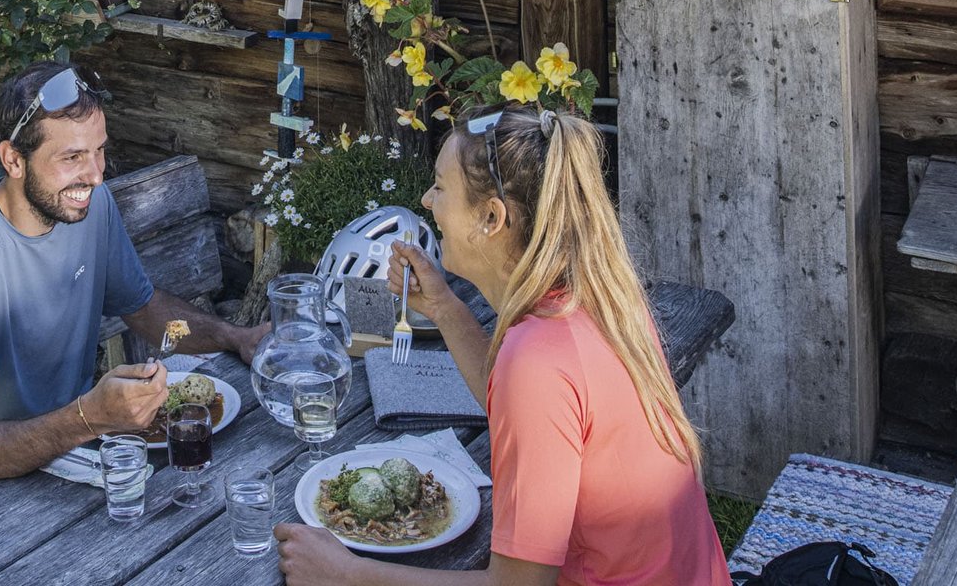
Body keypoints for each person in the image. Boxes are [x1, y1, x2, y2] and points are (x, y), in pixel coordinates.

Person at [276, 106, 731, 586]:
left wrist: (347, 573)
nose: (427, 200)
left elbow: (517, 585)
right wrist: (446, 309)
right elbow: (523, 406)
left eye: (440, 186)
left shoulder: (537, 361)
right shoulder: (600, 296)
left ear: (491, 217)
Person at [0, 60, 267, 518]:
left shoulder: (90, 206)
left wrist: (233, 337)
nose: (96, 175)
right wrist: (90, 416)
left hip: (69, 458)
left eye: (99, 151)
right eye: (72, 157)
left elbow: (146, 311)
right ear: (13, 160)